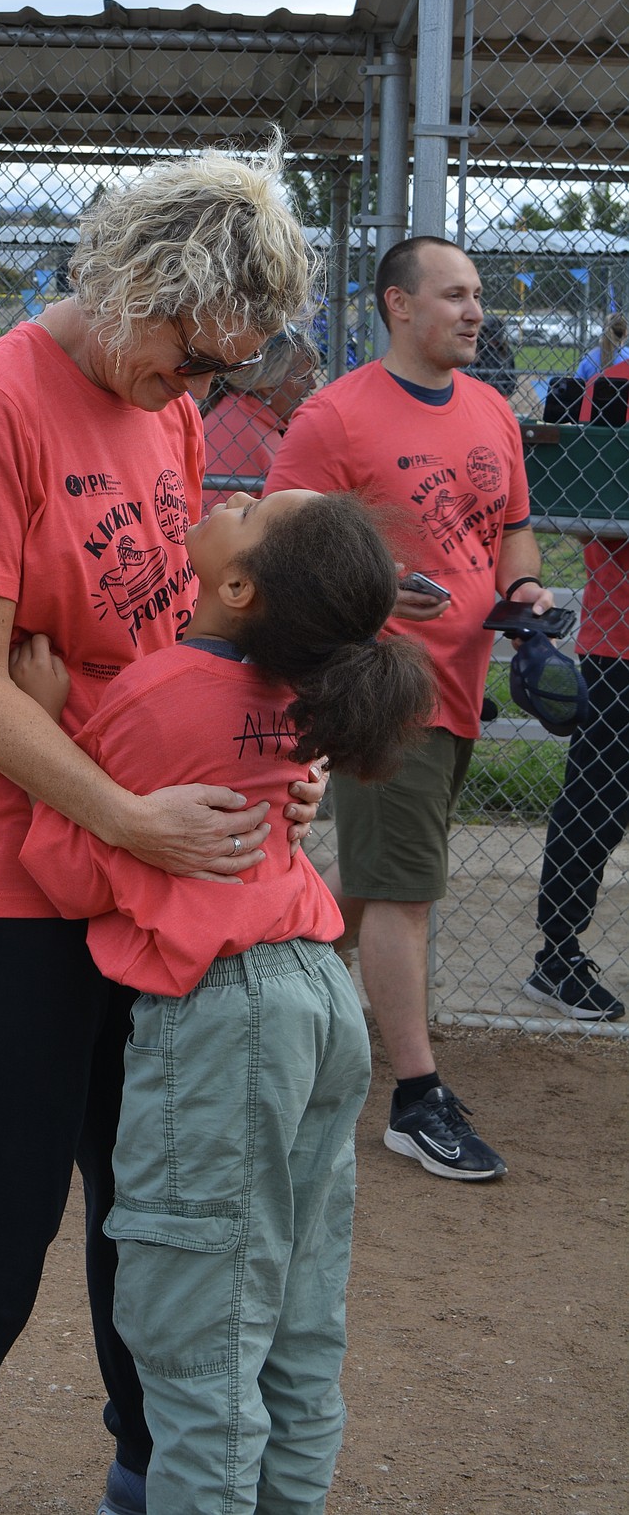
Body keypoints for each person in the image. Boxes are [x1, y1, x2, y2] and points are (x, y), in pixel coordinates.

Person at [0, 148, 326, 1515]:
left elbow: (177, 635)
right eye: (189, 360)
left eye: (217, 372)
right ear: (134, 286)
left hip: (135, 867)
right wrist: (128, 812)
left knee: (150, 1193)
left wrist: (259, 762)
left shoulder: (157, 408)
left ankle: (148, 1468)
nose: (199, 395)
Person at [13, 488, 435, 1515]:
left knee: (199, 1340)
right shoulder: (304, 691)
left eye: (248, 511)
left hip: (227, 1017)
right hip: (319, 998)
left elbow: (70, 870)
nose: (230, 495)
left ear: (237, 586)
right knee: (295, 1321)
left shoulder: (159, 693)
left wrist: (40, 724)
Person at [264, 234, 554, 1182]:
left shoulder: (489, 411)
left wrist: (526, 603)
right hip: (384, 684)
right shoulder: (336, 416)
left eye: (479, 296)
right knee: (404, 893)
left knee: (373, 882)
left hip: (464, 682)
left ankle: (259, 1004)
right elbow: (274, 542)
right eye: (455, 295)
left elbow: (512, 533)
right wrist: (378, 584)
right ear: (397, 304)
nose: (476, 311)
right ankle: (416, 1097)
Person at [524, 355, 628, 1021]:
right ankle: (556, 955)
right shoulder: (616, 385)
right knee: (596, 802)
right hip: (620, 639)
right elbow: (594, 508)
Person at [201, 325, 319, 486]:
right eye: (304, 376)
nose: (313, 385)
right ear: (269, 385)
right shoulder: (244, 429)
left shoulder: (245, 414)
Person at [573, 311, 628, 386]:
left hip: (591, 397)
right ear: (625, 333)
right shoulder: (626, 356)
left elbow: (577, 385)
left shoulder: (589, 358)